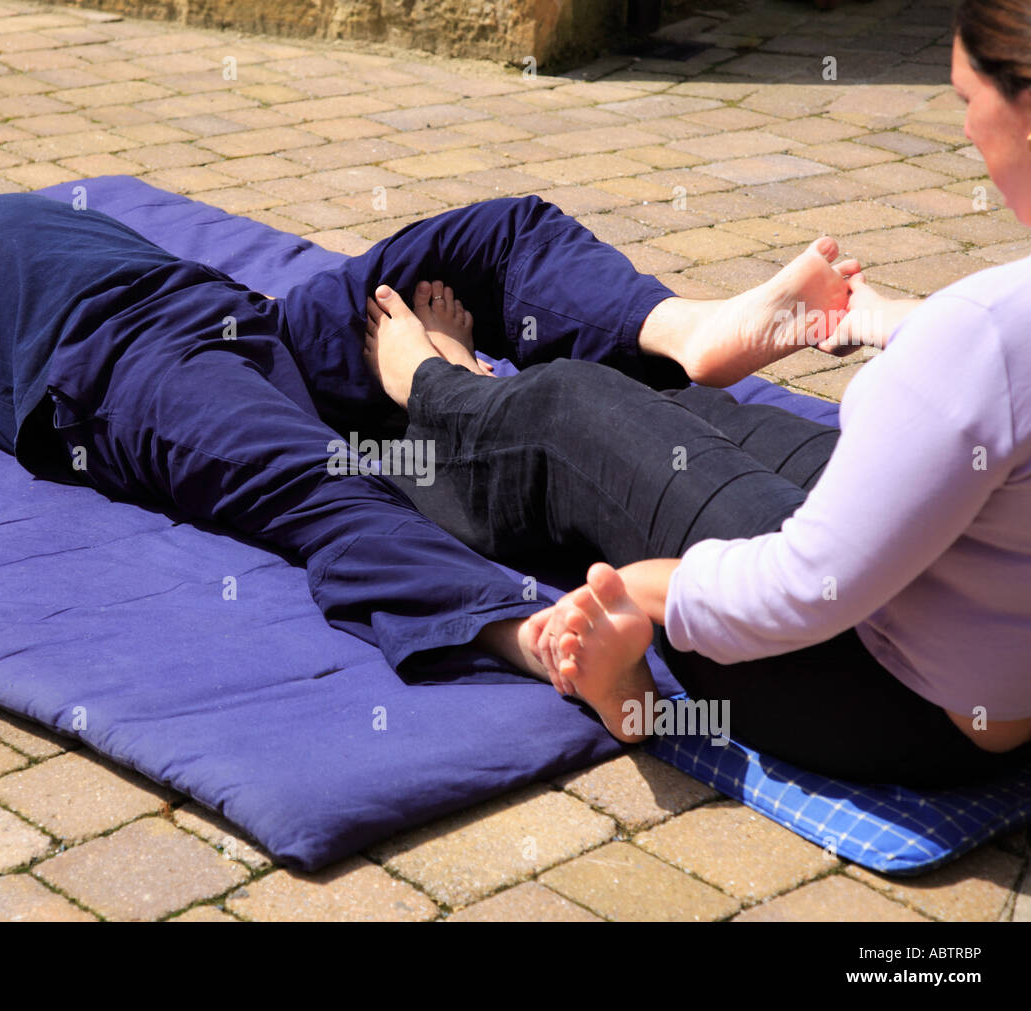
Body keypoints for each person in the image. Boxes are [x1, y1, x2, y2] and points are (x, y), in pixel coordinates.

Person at [0, 164, 851, 686]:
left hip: (254, 317)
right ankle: (535, 642)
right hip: (120, 375)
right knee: (323, 486)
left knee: (490, 232)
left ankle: (686, 329)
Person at [361, 0, 1031, 788]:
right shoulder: (983, 331)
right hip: (981, 646)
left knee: (573, 408)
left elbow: (798, 590)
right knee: (697, 419)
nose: (962, 130)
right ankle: (674, 351)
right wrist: (891, 322)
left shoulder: (982, 334)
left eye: (965, 101)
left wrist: (646, 589)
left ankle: (441, 390)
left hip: (877, 698)